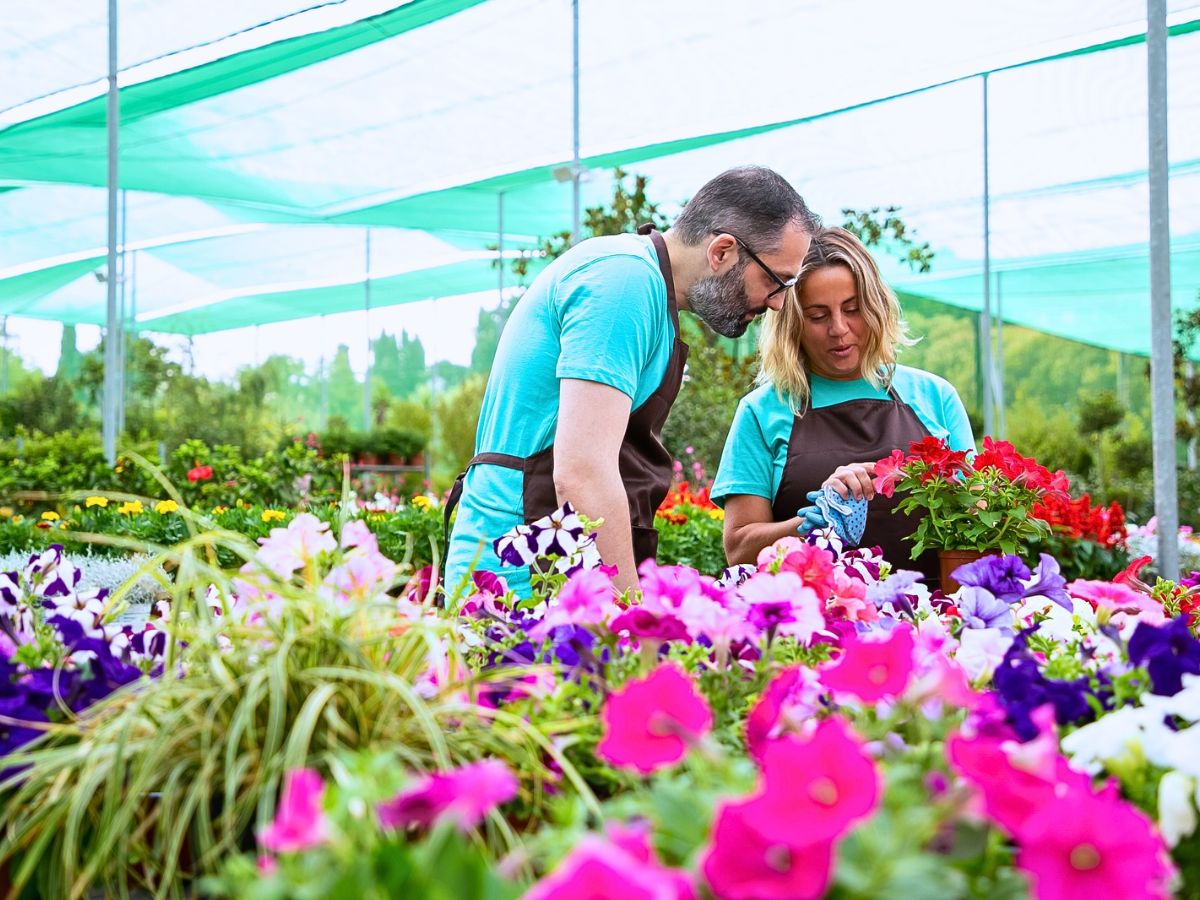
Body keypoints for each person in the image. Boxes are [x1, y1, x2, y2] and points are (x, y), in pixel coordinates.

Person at [445, 166, 819, 598]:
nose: (777, 303)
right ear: (722, 252)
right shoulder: (624, 284)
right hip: (517, 577)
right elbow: (583, 471)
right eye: (775, 281)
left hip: (553, 562)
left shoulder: (647, 289)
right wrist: (629, 614)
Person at [712, 226, 975, 584]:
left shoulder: (935, 397)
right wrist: (815, 520)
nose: (839, 329)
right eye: (818, 316)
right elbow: (739, 548)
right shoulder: (763, 411)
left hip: (931, 621)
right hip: (820, 625)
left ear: (876, 307)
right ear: (792, 322)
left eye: (852, 309)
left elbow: (978, 519)